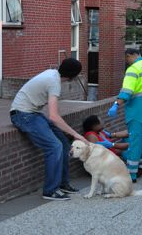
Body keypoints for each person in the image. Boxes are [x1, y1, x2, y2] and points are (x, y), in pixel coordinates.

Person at [10, 58, 87, 201]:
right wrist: (77, 135)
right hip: (23, 115)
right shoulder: (54, 82)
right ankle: (50, 190)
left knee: (64, 143)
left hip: (32, 113)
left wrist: (68, 132)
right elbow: (53, 116)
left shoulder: (52, 74)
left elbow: (54, 115)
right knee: (54, 146)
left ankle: (63, 184)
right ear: (73, 76)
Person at [107, 48, 142, 182]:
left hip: (139, 112)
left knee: (135, 143)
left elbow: (127, 91)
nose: (127, 62)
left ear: (129, 56)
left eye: (126, 59)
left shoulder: (133, 69)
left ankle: (131, 174)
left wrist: (116, 104)